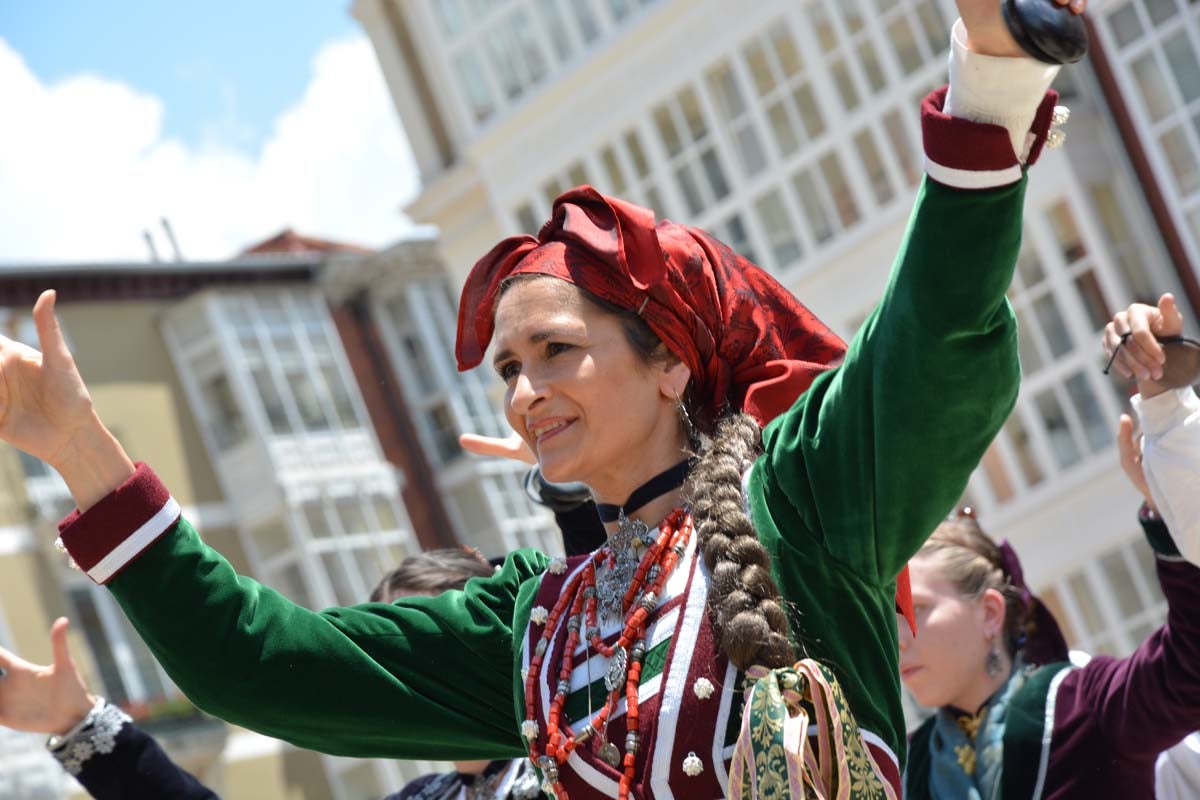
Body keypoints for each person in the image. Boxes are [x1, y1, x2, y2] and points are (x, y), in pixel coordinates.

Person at [0, 2, 1083, 797]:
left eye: (555, 351)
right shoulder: (531, 625)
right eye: (509, 368)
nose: (525, 391)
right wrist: (80, 448)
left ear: (669, 361)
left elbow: (931, 342)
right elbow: (261, 662)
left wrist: (990, 76)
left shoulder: (800, 503)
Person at [900, 295, 1200, 798]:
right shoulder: (903, 775)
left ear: (990, 612)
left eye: (916, 609)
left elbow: (1192, 665)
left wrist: (1162, 391)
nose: (899, 640)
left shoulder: (1086, 707)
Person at [0, 550, 540, 800]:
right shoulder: (425, 797)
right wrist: (80, 725)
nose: (420, 667)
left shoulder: (583, 752)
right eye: (401, 649)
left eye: (441, 641)